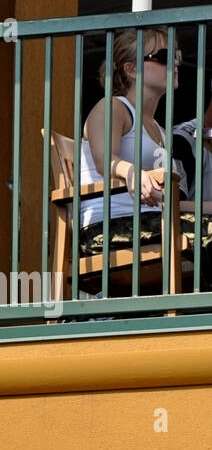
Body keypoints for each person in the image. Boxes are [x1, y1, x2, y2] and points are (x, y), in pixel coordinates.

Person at [78, 29, 212, 272]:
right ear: (131, 69)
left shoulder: (159, 131)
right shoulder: (113, 106)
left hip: (151, 224)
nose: (175, 62)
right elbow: (103, 159)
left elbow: (165, 202)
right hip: (109, 228)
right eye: (163, 55)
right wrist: (133, 172)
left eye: (176, 55)